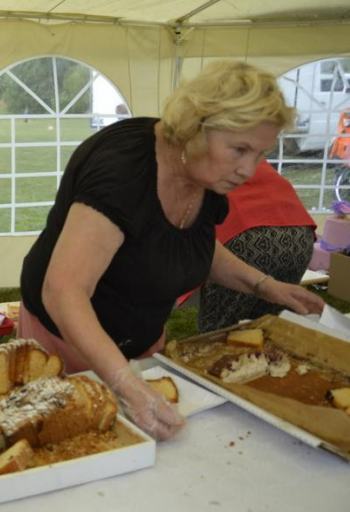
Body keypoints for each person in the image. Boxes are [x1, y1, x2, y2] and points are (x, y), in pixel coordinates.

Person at [18, 60, 325, 441]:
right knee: (62, 444)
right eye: (239, 149)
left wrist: (264, 285)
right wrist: (125, 382)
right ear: (197, 128)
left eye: (260, 154)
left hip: (139, 340)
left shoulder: (204, 171)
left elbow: (194, 244)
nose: (249, 169)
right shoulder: (123, 173)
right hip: (66, 341)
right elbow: (64, 291)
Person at [197, 160, 317, 332]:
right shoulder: (249, 156)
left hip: (247, 235)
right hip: (298, 234)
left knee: (222, 331)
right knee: (270, 324)